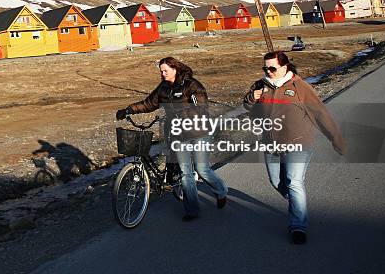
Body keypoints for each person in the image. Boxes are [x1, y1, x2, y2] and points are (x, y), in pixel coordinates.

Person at [243, 50, 346, 244]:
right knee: (277, 182)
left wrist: (336, 138)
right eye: (265, 68)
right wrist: (251, 98)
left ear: (285, 67)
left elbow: (320, 114)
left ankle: (298, 226)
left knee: (294, 182)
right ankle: (298, 205)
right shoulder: (260, 85)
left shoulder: (300, 87)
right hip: (271, 143)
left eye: (272, 68)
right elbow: (248, 107)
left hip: (298, 142)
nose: (268, 71)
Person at [116, 57, 227, 221]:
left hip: (199, 132)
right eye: (161, 71)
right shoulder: (163, 88)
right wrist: (129, 109)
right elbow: (149, 103)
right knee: (185, 173)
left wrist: (181, 116)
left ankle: (221, 190)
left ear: (175, 69)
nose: (162, 73)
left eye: (165, 70)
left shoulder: (191, 85)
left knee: (202, 169)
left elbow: (202, 108)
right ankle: (192, 210)